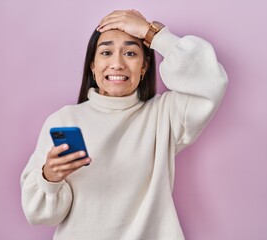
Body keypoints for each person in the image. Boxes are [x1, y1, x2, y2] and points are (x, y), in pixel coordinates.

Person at [21, 9, 228, 240]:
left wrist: (153, 34)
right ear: (92, 64)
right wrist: (50, 177)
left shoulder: (166, 114)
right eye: (106, 52)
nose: (117, 64)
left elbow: (210, 79)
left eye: (130, 53)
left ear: (144, 66)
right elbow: (39, 214)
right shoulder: (64, 120)